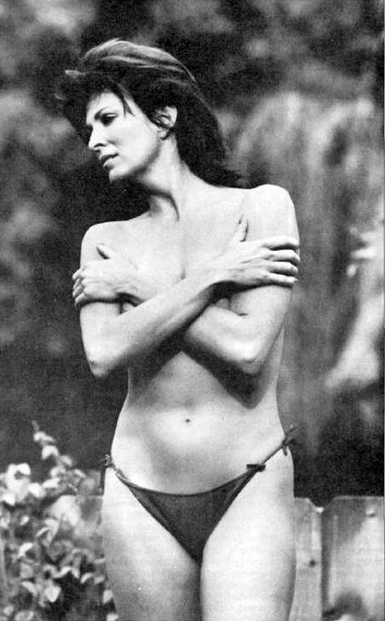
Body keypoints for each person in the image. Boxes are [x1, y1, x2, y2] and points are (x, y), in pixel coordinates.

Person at [60, 39, 300, 621]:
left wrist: (137, 288)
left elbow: (246, 349)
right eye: (88, 128)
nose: (94, 140)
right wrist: (215, 275)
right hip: (138, 492)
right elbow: (104, 352)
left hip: (248, 480)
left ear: (164, 116)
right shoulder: (105, 242)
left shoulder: (260, 209)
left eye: (107, 119)